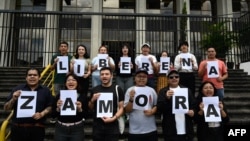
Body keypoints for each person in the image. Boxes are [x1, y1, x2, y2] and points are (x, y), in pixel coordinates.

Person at [4, 67, 53, 141]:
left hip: (37, 129)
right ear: (26, 78)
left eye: (35, 75)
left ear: (39, 77)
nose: (32, 77)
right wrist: (13, 99)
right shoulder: (17, 89)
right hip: (18, 129)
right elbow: (6, 108)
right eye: (30, 75)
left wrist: (42, 114)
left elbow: (50, 106)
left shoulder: (45, 90)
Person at [157, 69, 196, 141]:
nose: (174, 78)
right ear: (167, 79)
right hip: (170, 128)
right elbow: (159, 109)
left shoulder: (186, 90)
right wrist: (167, 98)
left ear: (179, 78)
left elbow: (193, 104)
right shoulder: (163, 91)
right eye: (171, 77)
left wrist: (193, 111)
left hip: (186, 127)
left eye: (176, 76)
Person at [88, 67, 124, 141]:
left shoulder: (117, 89)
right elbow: (90, 107)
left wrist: (113, 118)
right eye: (102, 74)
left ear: (111, 76)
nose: (104, 76)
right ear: (100, 76)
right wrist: (92, 100)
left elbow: (121, 108)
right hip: (97, 125)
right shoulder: (95, 89)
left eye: (107, 74)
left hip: (113, 125)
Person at [124, 68, 158, 141]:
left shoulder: (151, 90)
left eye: (144, 77)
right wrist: (131, 99)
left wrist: (152, 111)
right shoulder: (130, 90)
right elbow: (127, 110)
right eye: (139, 76)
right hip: (134, 130)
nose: (141, 79)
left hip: (150, 129)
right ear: (135, 78)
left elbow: (156, 105)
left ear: (147, 78)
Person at [52, 73, 88, 141]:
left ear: (77, 83)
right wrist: (58, 108)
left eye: (74, 80)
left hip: (77, 129)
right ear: (65, 83)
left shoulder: (82, 97)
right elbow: (53, 115)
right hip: (61, 128)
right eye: (68, 80)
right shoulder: (59, 96)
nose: (71, 82)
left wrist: (80, 109)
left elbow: (86, 115)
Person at [50, 41, 72, 123]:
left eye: (65, 46)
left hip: (67, 81)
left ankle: (65, 115)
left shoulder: (70, 57)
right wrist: (55, 62)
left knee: (66, 98)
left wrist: (69, 72)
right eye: (61, 46)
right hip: (57, 80)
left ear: (67, 48)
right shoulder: (55, 56)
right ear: (59, 48)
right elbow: (51, 68)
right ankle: (55, 115)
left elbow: (73, 69)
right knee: (57, 98)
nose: (63, 48)